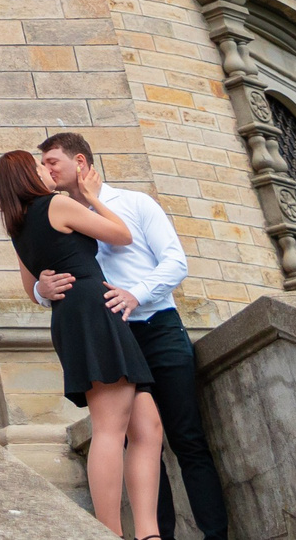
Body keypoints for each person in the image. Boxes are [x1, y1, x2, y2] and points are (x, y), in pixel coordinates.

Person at [31, 132, 230, 540]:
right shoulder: (55, 213)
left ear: (81, 163)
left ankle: (216, 536)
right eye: (44, 164)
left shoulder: (135, 204)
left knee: (187, 438)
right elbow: (45, 274)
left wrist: (135, 295)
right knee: (140, 441)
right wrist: (40, 290)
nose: (47, 170)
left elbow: (175, 261)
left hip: (157, 328)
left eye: (53, 162)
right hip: (112, 337)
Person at [0, 148, 165, 539]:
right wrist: (89, 197)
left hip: (75, 315)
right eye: (40, 166)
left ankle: (148, 533)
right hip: (91, 310)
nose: (47, 171)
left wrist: (43, 285)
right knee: (109, 427)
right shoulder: (56, 205)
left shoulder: (17, 226)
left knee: (148, 426)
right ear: (28, 175)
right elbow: (122, 236)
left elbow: (31, 289)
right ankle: (110, 532)